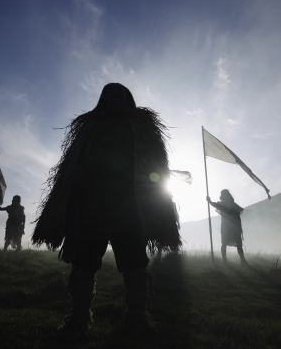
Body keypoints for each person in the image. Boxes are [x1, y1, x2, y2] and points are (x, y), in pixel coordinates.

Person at [32, 83, 180, 339]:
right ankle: (78, 318)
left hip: (129, 207)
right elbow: (72, 165)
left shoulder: (141, 128)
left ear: (128, 99)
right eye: (110, 95)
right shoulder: (90, 128)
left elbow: (155, 167)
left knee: (134, 264)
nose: (115, 99)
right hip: (91, 207)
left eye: (120, 95)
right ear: (102, 99)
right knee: (83, 264)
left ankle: (137, 318)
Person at [207, 190, 246, 264]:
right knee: (225, 243)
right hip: (228, 226)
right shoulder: (226, 204)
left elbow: (237, 216)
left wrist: (210, 201)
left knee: (236, 244)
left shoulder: (231, 204)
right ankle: (226, 261)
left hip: (232, 226)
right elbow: (216, 205)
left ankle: (242, 260)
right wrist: (210, 201)